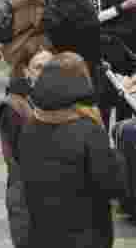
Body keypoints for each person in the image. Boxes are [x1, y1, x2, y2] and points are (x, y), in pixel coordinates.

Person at [19, 52, 124, 248]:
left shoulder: (30, 126)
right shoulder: (89, 130)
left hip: (42, 234)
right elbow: (112, 185)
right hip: (86, 236)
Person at [0, 46, 53, 248]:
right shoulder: (15, 107)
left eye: (50, 67)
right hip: (27, 199)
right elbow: (19, 156)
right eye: (38, 67)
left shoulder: (68, 100)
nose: (45, 73)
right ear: (26, 71)